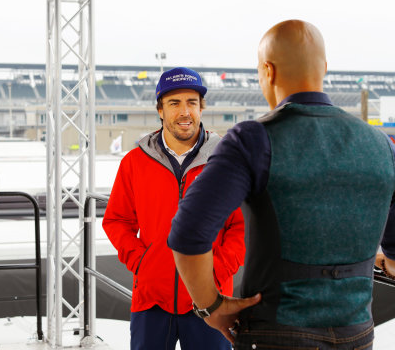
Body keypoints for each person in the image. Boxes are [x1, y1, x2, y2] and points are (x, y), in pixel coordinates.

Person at [168, 20, 395, 349]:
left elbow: (188, 234)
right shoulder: (383, 146)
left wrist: (212, 307)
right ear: (325, 69)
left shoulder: (252, 139)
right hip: (357, 334)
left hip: (276, 331)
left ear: (267, 71)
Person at [102, 67, 245, 350]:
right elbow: (117, 220)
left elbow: (242, 227)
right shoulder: (134, 162)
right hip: (151, 299)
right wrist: (142, 263)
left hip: (211, 301)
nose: (184, 112)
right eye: (174, 103)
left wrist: (216, 271)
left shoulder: (228, 161)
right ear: (160, 110)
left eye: (192, 102)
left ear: (201, 108)